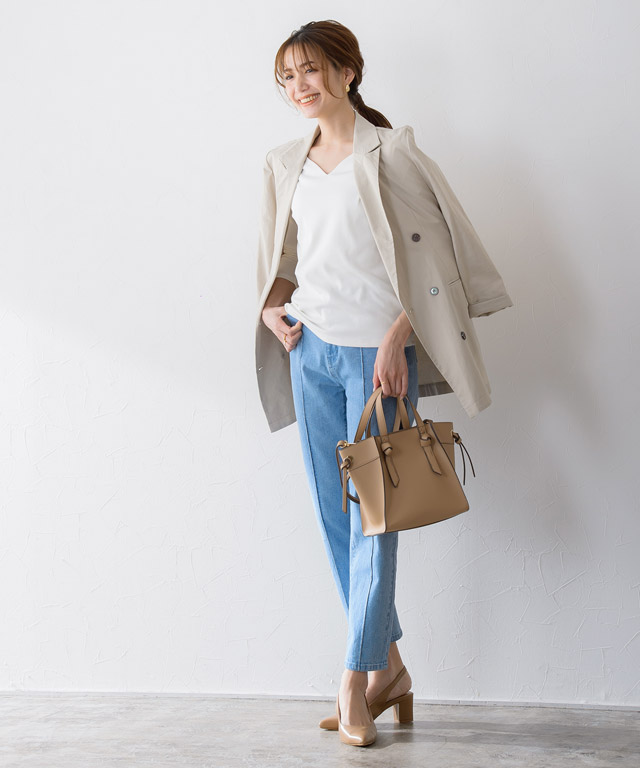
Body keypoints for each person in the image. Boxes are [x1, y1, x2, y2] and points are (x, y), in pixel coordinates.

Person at [255, 20, 513, 747]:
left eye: (310, 70)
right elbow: (284, 256)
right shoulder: (284, 162)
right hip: (309, 352)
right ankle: (388, 667)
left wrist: (401, 336)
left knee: (378, 516)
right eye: (287, 77)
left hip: (378, 362)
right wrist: (272, 306)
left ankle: (353, 681)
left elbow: (441, 258)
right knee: (334, 516)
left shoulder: (392, 152)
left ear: (347, 72)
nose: (299, 87)